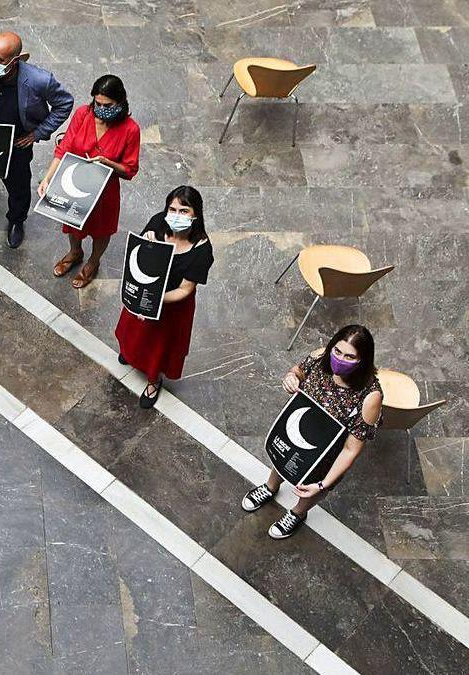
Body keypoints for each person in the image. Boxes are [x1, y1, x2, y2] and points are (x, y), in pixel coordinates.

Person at [241, 325, 383, 540]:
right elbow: (298, 370)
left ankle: (298, 513)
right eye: (337, 351)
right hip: (302, 429)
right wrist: (291, 376)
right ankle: (270, 488)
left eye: (349, 356)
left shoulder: (370, 397)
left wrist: (322, 484)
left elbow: (351, 449)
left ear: (362, 360)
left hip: (329, 452)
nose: (340, 359)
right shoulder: (319, 358)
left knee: (310, 487)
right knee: (284, 459)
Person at [0, 30, 74, 249]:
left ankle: (16, 220)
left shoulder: (40, 80)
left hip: (17, 143)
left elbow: (64, 104)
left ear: (15, 60)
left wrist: (38, 133)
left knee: (18, 186)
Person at [115, 186, 214, 409]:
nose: (176, 215)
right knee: (133, 332)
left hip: (171, 308)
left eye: (184, 211)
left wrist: (154, 303)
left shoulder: (201, 251)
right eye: (172, 209)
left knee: (157, 347)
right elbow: (139, 255)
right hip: (146, 293)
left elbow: (185, 289)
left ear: (195, 214)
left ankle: (153, 381)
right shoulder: (159, 223)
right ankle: (130, 354)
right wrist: (148, 241)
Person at [39, 74, 140, 288]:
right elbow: (63, 149)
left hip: (105, 191)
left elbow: (129, 170)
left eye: (108, 105)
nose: (101, 109)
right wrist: (47, 178)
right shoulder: (83, 115)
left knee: (101, 230)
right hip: (74, 182)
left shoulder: (130, 129)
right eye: (98, 103)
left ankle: (93, 262)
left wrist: (107, 162)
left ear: (120, 102)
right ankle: (75, 252)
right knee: (72, 223)